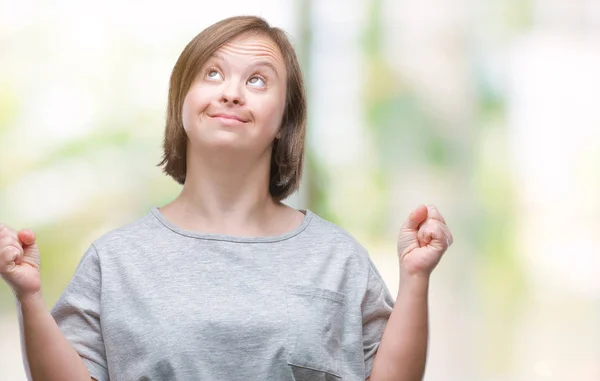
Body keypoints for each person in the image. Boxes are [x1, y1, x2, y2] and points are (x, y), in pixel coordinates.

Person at [0, 15, 453, 381]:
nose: (231, 92)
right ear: (183, 103)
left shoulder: (338, 258)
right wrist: (30, 298)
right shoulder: (114, 260)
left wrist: (415, 279)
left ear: (284, 120)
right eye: (212, 73)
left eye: (257, 81)